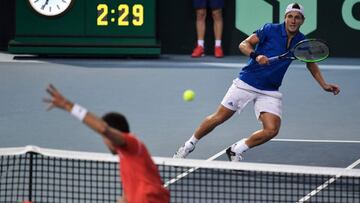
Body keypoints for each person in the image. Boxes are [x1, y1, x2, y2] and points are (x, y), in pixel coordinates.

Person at [174, 3, 340, 161]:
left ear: (302, 20)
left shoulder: (301, 41)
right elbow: (244, 44)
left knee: (271, 130)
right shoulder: (269, 29)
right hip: (247, 82)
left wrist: (324, 84)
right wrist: (256, 56)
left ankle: (236, 149)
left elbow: (311, 64)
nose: (293, 20)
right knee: (219, 117)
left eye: (297, 17)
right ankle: (188, 145)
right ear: (285, 17)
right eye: (290, 16)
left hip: (270, 89)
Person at [43, 84, 170, 203]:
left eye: (104, 138)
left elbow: (103, 128)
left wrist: (68, 105)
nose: (104, 141)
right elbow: (127, 198)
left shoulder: (132, 143)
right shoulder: (128, 159)